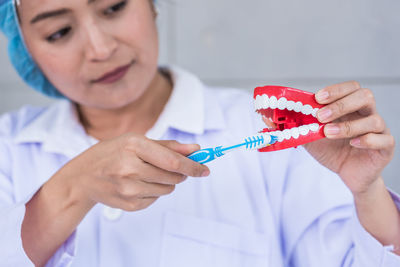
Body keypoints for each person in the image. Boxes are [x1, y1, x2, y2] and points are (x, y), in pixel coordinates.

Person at [0, 0, 399, 266]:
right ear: (25, 48)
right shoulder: (8, 150)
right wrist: (73, 188)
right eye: (58, 33)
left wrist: (367, 192)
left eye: (113, 6)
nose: (101, 48)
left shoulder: (271, 131)